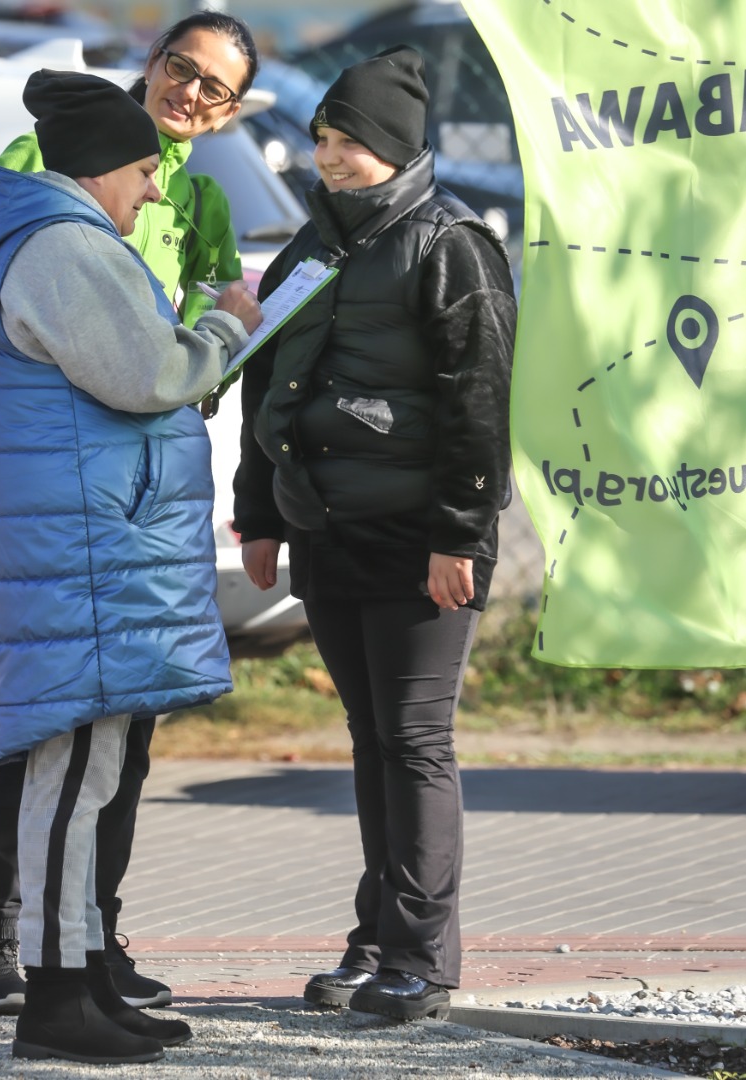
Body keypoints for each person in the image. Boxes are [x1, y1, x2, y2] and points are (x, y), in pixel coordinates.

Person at [0, 10, 258, 1015]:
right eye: (179, 66)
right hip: (73, 500)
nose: (188, 91)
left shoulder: (201, 200)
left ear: (228, 114)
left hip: (134, 505)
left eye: (212, 87)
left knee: (117, 738)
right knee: (41, 723)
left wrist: (210, 373)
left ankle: (88, 935)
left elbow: (189, 342)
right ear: (151, 64)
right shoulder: (57, 162)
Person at [232, 46, 516, 1021]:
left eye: (348, 140)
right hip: (324, 529)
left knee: (412, 739)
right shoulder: (313, 242)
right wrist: (260, 513)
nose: (328, 154)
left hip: (416, 536)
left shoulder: (449, 245)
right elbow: (265, 381)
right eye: (320, 137)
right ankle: (376, 934)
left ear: (395, 146)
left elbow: (476, 404)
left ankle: (422, 956)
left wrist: (459, 533)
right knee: (369, 742)